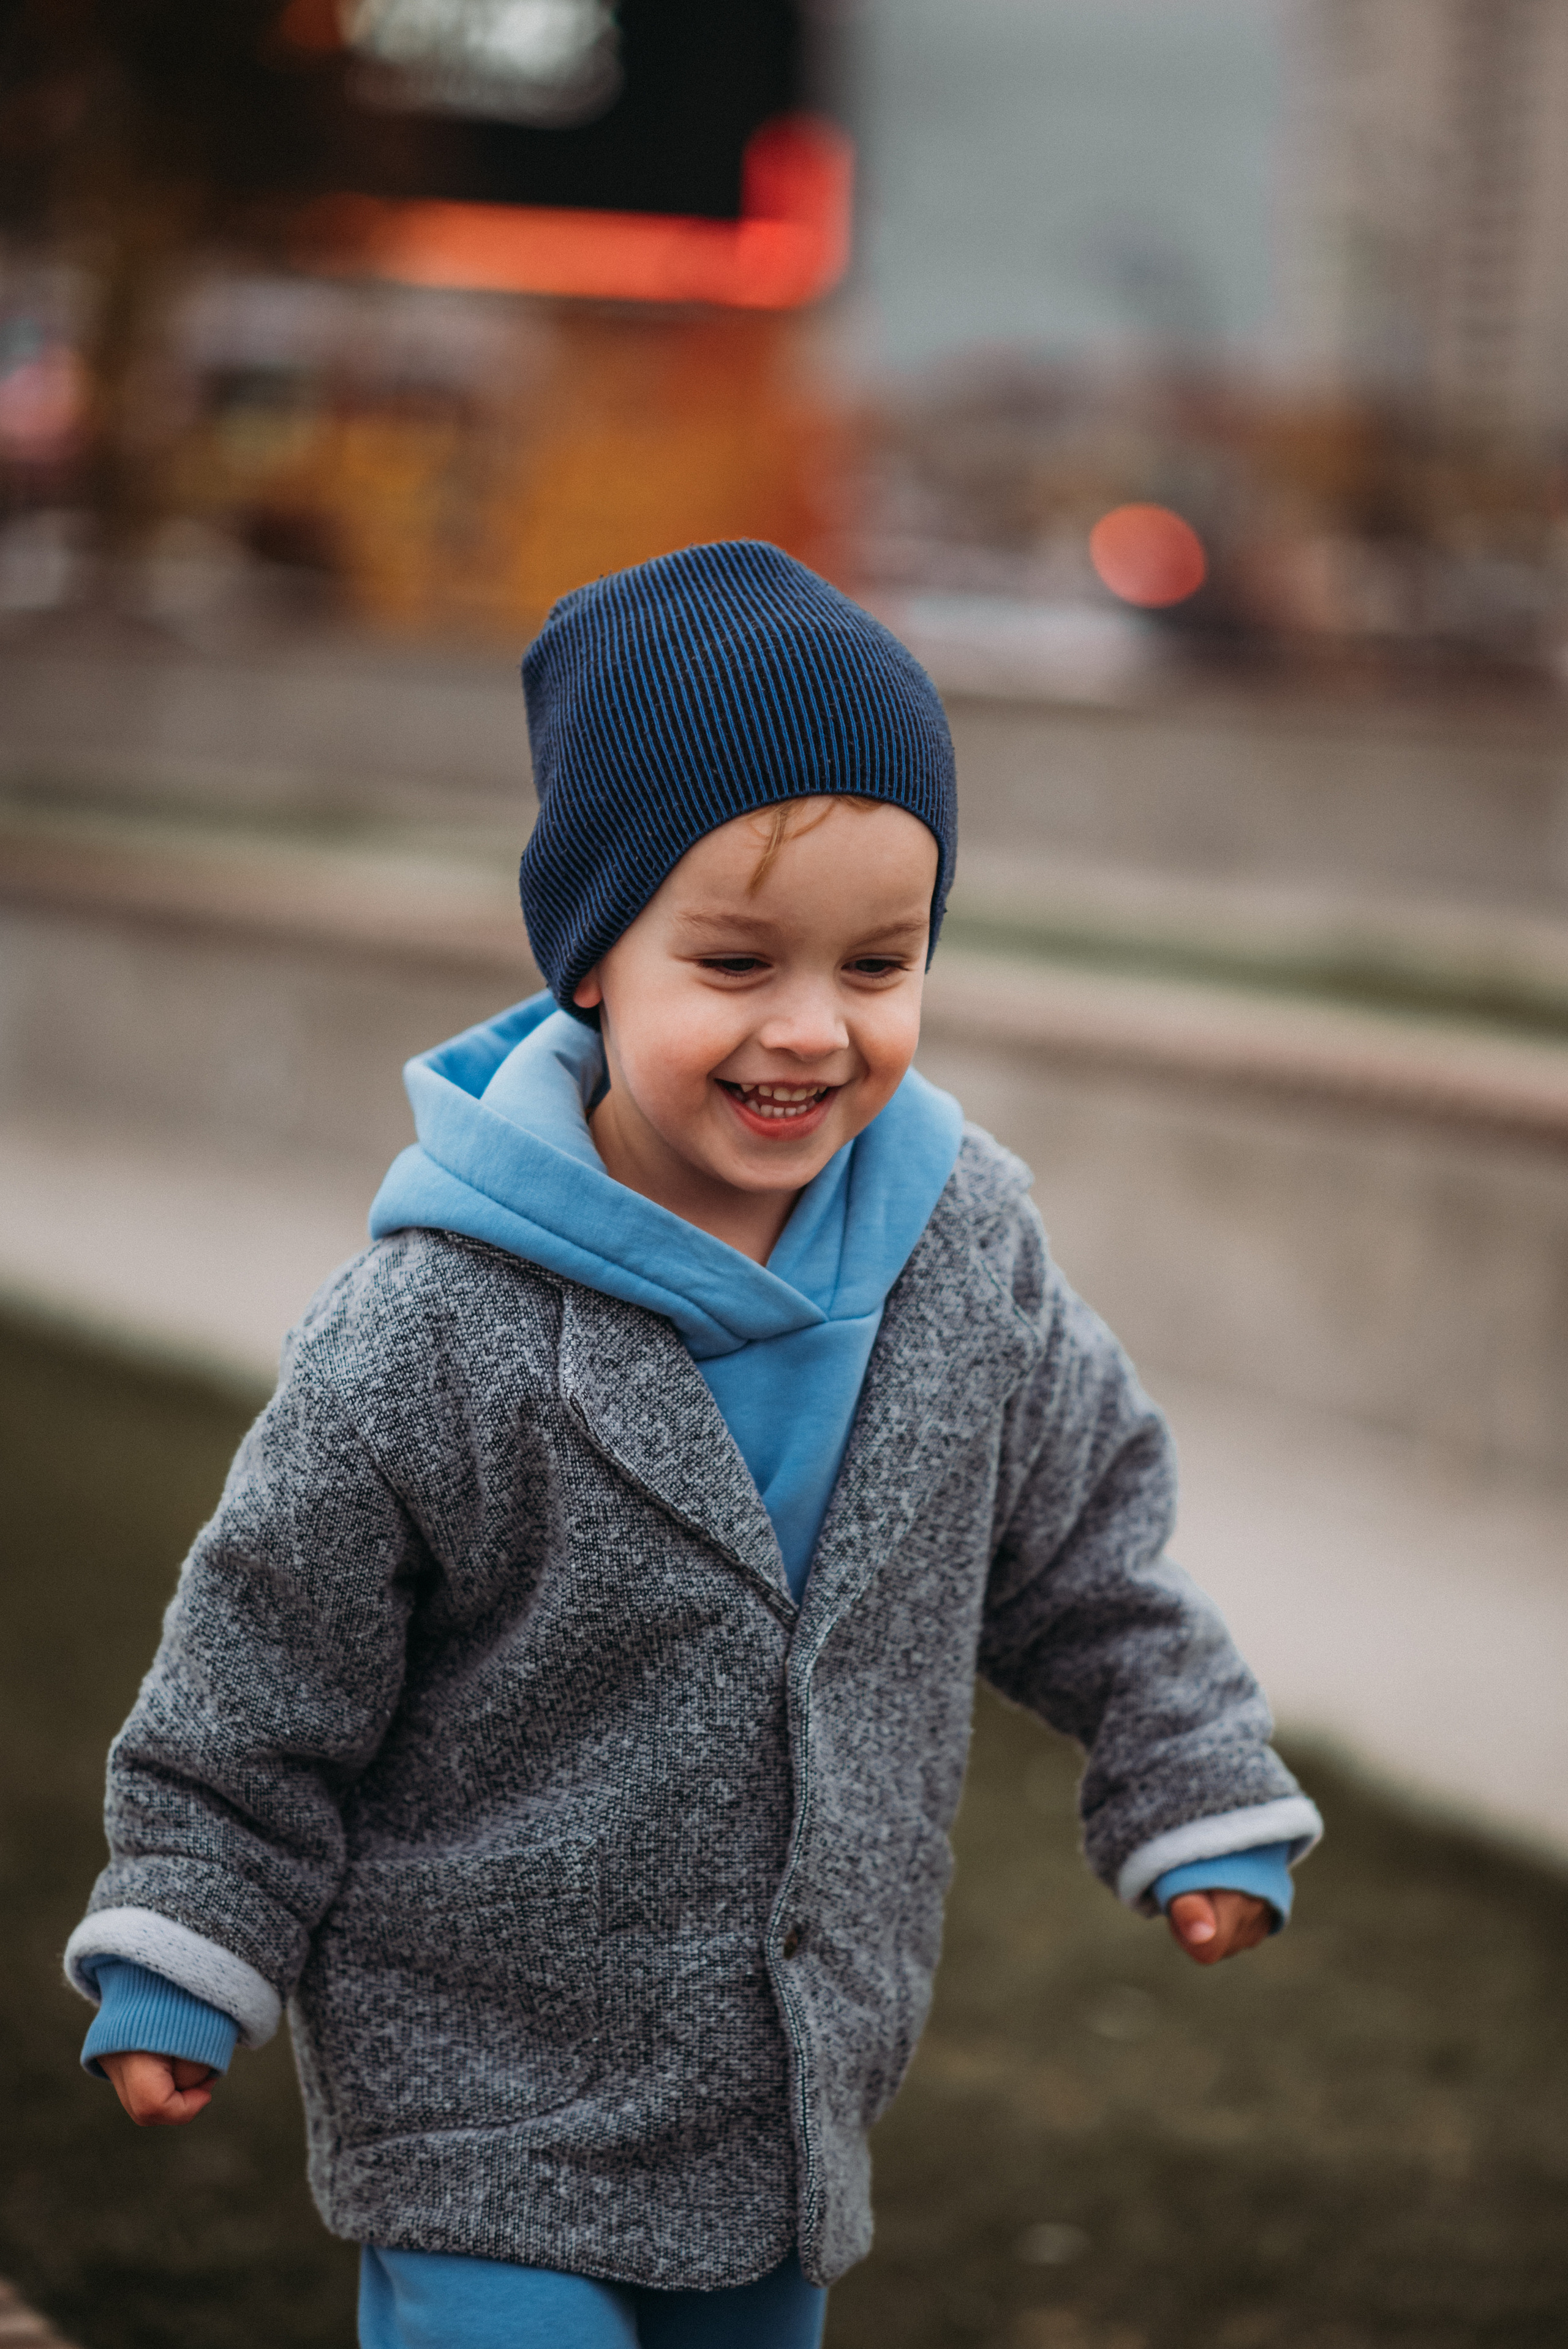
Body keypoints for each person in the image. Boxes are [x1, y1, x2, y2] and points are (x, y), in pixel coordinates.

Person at [65, 541, 1321, 2349]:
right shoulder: (434, 1320)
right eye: (735, 960)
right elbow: (268, 1655)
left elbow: (1082, 1544)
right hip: (480, 2096)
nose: (813, 1025)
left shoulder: (964, 1255)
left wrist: (1188, 1768)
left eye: (881, 962)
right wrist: (191, 1932)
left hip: (781, 2109)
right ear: (592, 961)